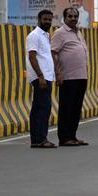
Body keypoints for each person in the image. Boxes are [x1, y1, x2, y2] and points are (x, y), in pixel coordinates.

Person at [51, 6, 90, 146]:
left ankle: (72, 136)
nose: (73, 19)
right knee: (67, 108)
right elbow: (53, 52)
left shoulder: (78, 32)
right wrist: (58, 73)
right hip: (68, 77)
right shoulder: (60, 33)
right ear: (64, 18)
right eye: (70, 16)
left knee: (76, 108)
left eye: (75, 16)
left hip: (81, 76)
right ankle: (64, 138)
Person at [25, 9, 56, 149]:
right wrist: (40, 76)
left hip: (46, 77)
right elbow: (32, 56)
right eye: (45, 19)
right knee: (44, 108)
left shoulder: (46, 35)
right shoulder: (34, 35)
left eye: (49, 20)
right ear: (39, 20)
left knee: (39, 108)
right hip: (41, 78)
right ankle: (41, 139)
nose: (47, 22)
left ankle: (37, 140)